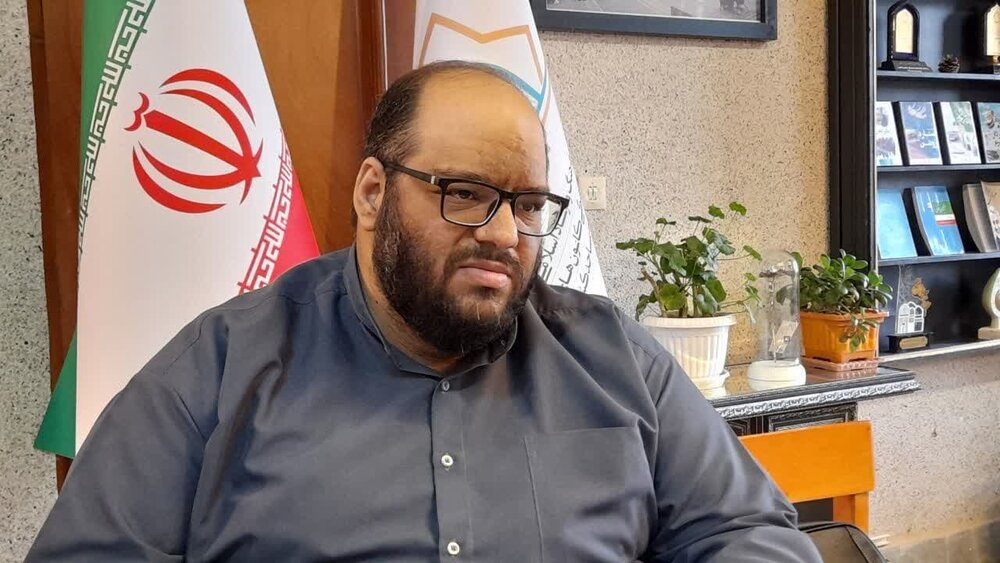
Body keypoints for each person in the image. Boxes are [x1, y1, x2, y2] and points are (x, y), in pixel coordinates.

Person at [28, 61, 821, 562]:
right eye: (466, 194)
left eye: (528, 204)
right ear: (373, 192)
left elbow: (750, 533)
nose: (504, 234)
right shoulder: (222, 368)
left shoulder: (613, 359)